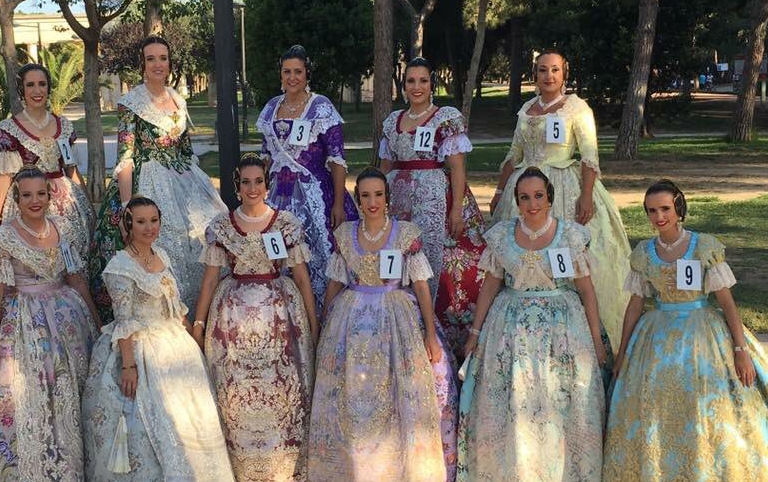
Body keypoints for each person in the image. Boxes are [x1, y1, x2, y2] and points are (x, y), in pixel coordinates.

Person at [603, 180, 768, 482]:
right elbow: (635, 305)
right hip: (656, 338)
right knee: (660, 417)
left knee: (701, 416)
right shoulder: (644, 253)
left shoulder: (703, 247)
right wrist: (623, 353)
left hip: (702, 337)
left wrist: (740, 349)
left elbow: (726, 302)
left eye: (665, 209)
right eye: (652, 210)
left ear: (679, 208)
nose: (659, 216)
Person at [454, 167, 608, 482]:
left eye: (538, 196)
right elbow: (490, 286)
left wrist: (596, 338)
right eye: (524, 197)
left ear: (550, 198)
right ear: (517, 201)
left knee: (560, 407)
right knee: (511, 407)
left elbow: (586, 291)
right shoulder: (503, 237)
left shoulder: (570, 236)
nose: (532, 204)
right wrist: (475, 333)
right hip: (509, 328)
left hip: (562, 329)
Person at [305, 168, 457, 482]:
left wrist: (429, 333)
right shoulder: (346, 235)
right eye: (365, 196)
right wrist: (325, 324)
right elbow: (335, 282)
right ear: (357, 200)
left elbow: (421, 286)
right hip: (351, 319)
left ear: (388, 198)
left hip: (396, 317)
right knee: (350, 399)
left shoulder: (406, 234)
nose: (372, 202)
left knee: (399, 398)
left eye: (378, 195)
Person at [83, 196, 237, 482]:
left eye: (154, 220)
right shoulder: (120, 266)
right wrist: (129, 365)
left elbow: (175, 306)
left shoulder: (161, 255)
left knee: (188, 418)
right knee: (146, 422)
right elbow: (124, 320)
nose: (149, 227)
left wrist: (193, 337)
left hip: (173, 344)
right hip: (140, 347)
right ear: (128, 224)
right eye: (141, 221)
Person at [0, 166, 99, 482]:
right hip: (20, 323)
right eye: (27, 195)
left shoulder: (62, 229)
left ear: (50, 196)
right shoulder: (2, 238)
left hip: (65, 320)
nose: (35, 201)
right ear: (16, 199)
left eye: (41, 194)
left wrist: (95, 323)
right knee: (23, 399)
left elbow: (76, 280)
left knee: (66, 399)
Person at [192, 154, 318, 482]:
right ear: (237, 186)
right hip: (231, 322)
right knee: (235, 397)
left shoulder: (286, 224)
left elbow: (302, 279)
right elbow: (210, 280)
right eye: (246, 182)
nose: (252, 189)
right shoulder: (222, 227)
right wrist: (199, 325)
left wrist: (313, 324)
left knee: (281, 397)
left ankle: (282, 481)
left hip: (280, 319)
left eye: (258, 182)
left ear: (267, 184)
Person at [0, 63, 95, 339]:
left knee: (71, 265)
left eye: (42, 84)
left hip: (64, 204)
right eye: (30, 85)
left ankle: (74, 319)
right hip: (23, 201)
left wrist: (84, 202)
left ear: (49, 88)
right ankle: (20, 326)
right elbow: (5, 176)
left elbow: (71, 169)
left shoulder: (64, 125)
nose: (37, 91)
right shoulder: (9, 129)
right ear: (22, 90)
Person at [489, 49, 630, 346]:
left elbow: (589, 156)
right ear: (535, 74)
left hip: (565, 187)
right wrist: (501, 191)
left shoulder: (577, 108)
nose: (549, 76)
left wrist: (586, 195)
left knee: (570, 256)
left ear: (565, 73)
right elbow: (514, 153)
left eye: (554, 69)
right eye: (542, 70)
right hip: (524, 188)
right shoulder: (527, 108)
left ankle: (582, 333)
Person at [90, 35, 227, 321]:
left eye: (163, 58)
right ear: (142, 64)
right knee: (160, 240)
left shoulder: (177, 99)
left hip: (184, 178)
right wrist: (127, 206)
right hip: (148, 180)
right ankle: (166, 320)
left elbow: (186, 149)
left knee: (211, 227)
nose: (157, 64)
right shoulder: (132, 103)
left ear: (170, 63)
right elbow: (126, 156)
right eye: (150, 59)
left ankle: (203, 317)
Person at [378, 57, 485, 350]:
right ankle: (404, 328)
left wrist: (456, 209)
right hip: (398, 200)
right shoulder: (393, 121)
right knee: (400, 257)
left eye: (423, 81)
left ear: (431, 84)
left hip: (435, 198)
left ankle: (438, 337)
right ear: (403, 85)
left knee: (434, 259)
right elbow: (385, 167)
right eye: (411, 81)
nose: (417, 87)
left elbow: (458, 167)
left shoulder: (445, 118)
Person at [256, 45, 358, 307]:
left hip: (316, 196)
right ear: (280, 74)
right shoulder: (270, 108)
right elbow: (266, 156)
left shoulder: (321, 107)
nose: (292, 77)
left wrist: (338, 203)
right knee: (276, 253)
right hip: (277, 196)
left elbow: (337, 160)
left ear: (307, 74)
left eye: (298, 72)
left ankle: (322, 312)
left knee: (319, 253)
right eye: (287, 72)